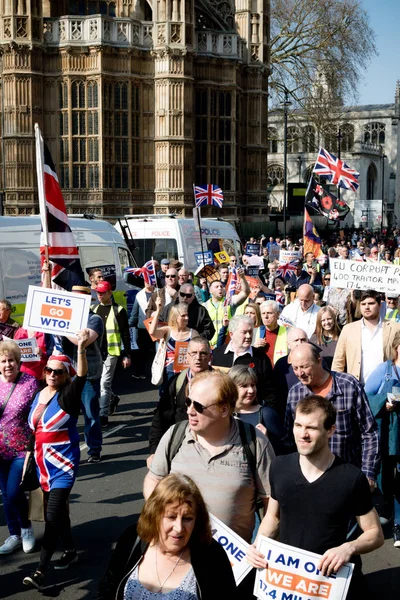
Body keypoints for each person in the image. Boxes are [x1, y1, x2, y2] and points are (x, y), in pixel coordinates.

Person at [247, 395, 384, 599]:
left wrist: (349, 548)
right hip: (289, 580)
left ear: (330, 430)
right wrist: (258, 546)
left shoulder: (351, 477)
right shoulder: (279, 467)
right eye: (298, 425)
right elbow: (273, 517)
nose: (303, 434)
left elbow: (375, 534)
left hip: (332, 585)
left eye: (311, 428)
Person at [143, 370, 275, 544]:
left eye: (198, 406)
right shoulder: (175, 435)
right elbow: (153, 479)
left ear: (224, 409)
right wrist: (163, 516)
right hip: (180, 553)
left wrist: (259, 546)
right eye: (188, 402)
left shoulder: (255, 442)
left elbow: (272, 505)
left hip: (232, 565)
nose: (190, 411)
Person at [96, 473, 237, 600]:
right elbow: (107, 589)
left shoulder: (212, 555)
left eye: (187, 518)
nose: (179, 528)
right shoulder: (132, 538)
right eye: (171, 517)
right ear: (154, 515)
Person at [22, 329, 90, 590]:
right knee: (59, 512)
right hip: (42, 466)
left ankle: (40, 571)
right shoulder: (39, 394)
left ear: (66, 375)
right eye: (49, 370)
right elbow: (34, 429)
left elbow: (82, 376)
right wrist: (29, 457)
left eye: (58, 372)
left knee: (51, 517)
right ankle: (70, 550)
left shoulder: (69, 396)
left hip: (63, 466)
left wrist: (81, 348)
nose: (52, 375)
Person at [286, 343, 380, 487]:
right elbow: (290, 440)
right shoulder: (295, 394)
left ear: (319, 360)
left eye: (304, 367)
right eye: (295, 368)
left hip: (347, 475)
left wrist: (368, 473)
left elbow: (369, 432)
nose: (300, 373)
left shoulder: (348, 385)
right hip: (310, 478)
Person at [0, 341, 40, 555]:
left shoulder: (30, 383)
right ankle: (14, 534)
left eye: (12, 360)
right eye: (4, 361)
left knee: (15, 492)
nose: (8, 365)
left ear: (18, 362)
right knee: (5, 494)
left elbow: (38, 413)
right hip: (0, 451)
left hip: (21, 449)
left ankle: (26, 528)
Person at [148, 337, 212, 460]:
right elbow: (161, 417)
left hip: (211, 447)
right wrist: (154, 450)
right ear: (187, 356)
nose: (198, 357)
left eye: (203, 353)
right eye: (193, 353)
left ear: (210, 357)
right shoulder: (176, 382)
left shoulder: (220, 383)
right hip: (181, 448)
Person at [364, 331, 400, 545]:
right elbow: (365, 396)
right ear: (397, 347)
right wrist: (383, 404)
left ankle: (398, 524)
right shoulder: (384, 370)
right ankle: (386, 506)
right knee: (386, 475)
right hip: (388, 432)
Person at [62, 285, 104, 462]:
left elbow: (83, 342)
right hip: (65, 371)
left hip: (87, 373)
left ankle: (94, 450)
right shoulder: (66, 318)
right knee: (64, 414)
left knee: (89, 413)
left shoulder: (94, 319)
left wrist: (62, 327)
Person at [332, 289, 400, 384]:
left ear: (380, 305)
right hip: (356, 386)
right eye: (363, 304)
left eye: (371, 303)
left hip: (385, 388)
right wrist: (338, 384)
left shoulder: (395, 328)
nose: (367, 307)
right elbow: (338, 362)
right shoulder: (348, 329)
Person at [211, 315, 277, 410]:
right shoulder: (217, 354)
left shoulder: (260, 358)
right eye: (244, 332)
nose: (248, 336)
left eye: (250, 332)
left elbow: (270, 392)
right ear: (232, 334)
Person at [92, 281, 131, 428]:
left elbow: (125, 334)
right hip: (96, 352)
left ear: (110, 293)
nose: (100, 295)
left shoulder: (119, 310)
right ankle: (112, 398)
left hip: (112, 352)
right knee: (98, 383)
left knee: (104, 383)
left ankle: (103, 414)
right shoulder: (93, 309)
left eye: (103, 292)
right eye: (98, 293)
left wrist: (127, 354)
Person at [229, 365, 286, 455]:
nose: (251, 390)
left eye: (253, 385)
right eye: (244, 386)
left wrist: (266, 440)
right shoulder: (223, 414)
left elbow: (286, 449)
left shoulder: (266, 414)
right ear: (231, 388)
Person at [149, 298, 198, 383]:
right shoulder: (168, 331)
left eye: (187, 315)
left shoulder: (193, 333)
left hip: (187, 372)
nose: (187, 318)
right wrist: (158, 310)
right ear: (175, 317)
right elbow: (152, 332)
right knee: (167, 395)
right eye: (183, 316)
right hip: (169, 372)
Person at [202, 271, 249, 347]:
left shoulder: (229, 301)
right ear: (210, 291)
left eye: (221, 286)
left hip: (227, 343)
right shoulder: (204, 306)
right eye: (216, 287)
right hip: (209, 345)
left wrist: (242, 278)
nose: (220, 288)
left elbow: (245, 293)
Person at [272, 327, 309, 421]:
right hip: (287, 414)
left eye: (303, 340)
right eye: (296, 340)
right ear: (288, 344)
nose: (300, 343)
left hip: (310, 412)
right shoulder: (281, 364)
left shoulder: (317, 362)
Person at [128, 278, 156, 380]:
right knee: (142, 352)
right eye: (146, 280)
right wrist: (130, 324)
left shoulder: (160, 293)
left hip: (157, 327)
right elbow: (135, 312)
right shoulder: (139, 295)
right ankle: (140, 372)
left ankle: (157, 373)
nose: (148, 282)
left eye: (150, 280)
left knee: (157, 352)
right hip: (143, 328)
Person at [253, 301, 287, 366]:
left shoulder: (287, 332)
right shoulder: (254, 332)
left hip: (281, 372)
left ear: (278, 314)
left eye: (269, 313)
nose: (266, 316)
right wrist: (254, 349)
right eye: (263, 313)